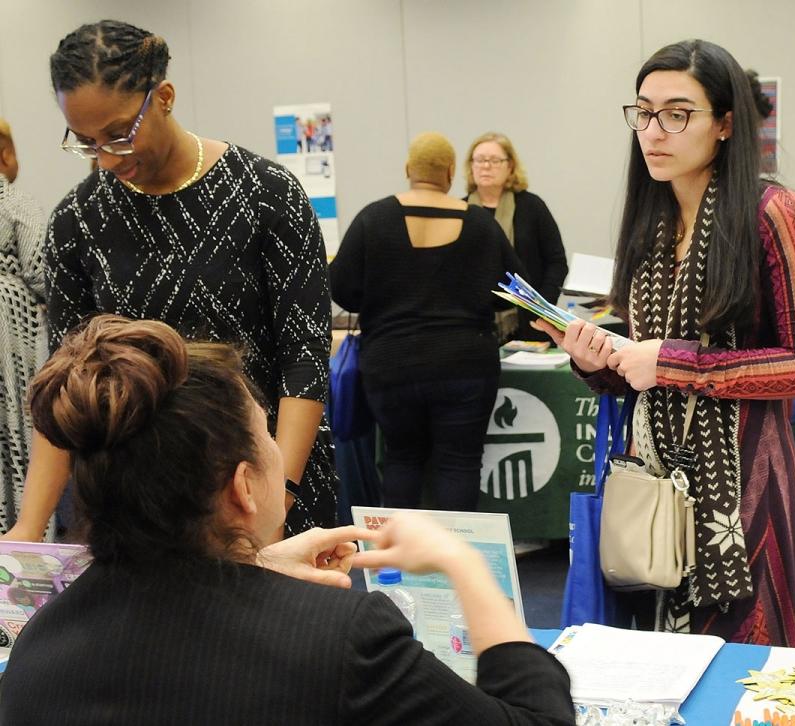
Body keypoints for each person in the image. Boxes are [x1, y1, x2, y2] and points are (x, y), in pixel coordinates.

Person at [0, 315, 574, 725]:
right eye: (266, 435)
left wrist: (254, 565)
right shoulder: (345, 640)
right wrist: (464, 564)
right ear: (243, 488)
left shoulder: (37, 652)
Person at [534, 39, 795, 646]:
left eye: (677, 113)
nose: (654, 131)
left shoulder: (774, 212)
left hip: (743, 486)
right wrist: (601, 362)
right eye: (643, 112)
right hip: (656, 486)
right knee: (661, 671)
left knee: (744, 671)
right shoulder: (652, 219)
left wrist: (672, 362)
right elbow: (646, 366)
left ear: (725, 124)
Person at [4, 20, 335, 541]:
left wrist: (277, 501)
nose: (108, 159)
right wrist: (28, 524)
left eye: (118, 134)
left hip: (265, 487)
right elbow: (69, 378)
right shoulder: (78, 220)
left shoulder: (266, 195)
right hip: (135, 509)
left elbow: (304, 362)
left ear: (163, 97)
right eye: (87, 143)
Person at [330, 132, 524, 511]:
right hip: (466, 365)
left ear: (408, 170)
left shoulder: (374, 218)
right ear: (452, 172)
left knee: (401, 459)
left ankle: (397, 566)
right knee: (459, 464)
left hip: (391, 364)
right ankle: (455, 565)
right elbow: (516, 289)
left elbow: (341, 290)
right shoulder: (481, 225)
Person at [465, 132, 568, 341]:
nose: (485, 166)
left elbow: (556, 262)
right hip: (475, 326)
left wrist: (542, 308)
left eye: (494, 160)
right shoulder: (461, 211)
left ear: (510, 166)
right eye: (479, 160)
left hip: (531, 323)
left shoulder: (531, 206)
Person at [0, 118, 48, 534]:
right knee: (22, 432)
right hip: (11, 335)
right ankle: (25, 532)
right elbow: (40, 270)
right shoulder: (16, 203)